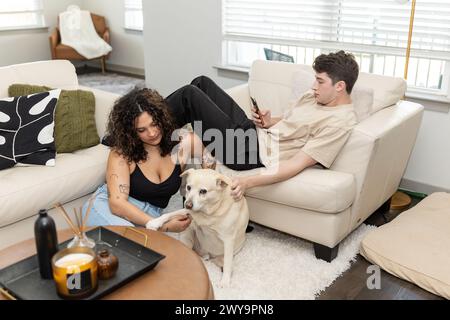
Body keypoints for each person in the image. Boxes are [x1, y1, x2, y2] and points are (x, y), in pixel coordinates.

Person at [165, 50, 359, 201]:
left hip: (250, 153)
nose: (313, 86)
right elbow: (291, 120)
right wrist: (270, 121)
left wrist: (247, 182)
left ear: (340, 86)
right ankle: (152, 132)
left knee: (189, 95)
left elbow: (295, 164)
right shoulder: (316, 97)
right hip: (253, 133)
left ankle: (141, 132)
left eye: (320, 81)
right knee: (202, 83)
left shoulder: (339, 123)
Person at [83, 88, 215, 232]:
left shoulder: (184, 143)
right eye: (141, 130)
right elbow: (117, 204)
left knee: (146, 249)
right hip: (107, 208)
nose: (151, 133)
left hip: (151, 215)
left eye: (154, 124)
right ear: (131, 132)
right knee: (135, 243)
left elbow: (210, 170)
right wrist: (163, 225)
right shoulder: (122, 153)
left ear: (163, 119)